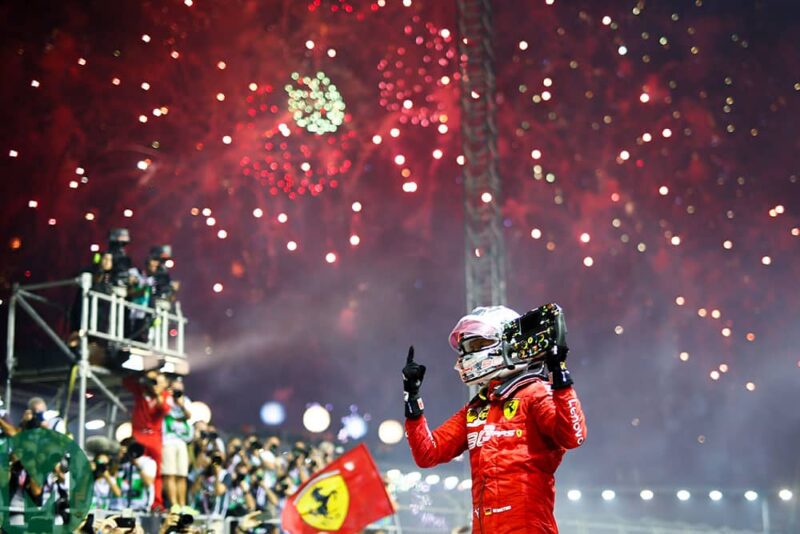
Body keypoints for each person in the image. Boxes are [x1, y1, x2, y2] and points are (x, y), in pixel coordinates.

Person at [403, 305, 587, 533]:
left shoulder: (535, 393)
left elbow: (573, 436)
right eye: (465, 348)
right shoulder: (477, 407)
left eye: (477, 345)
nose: (468, 355)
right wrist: (412, 399)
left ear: (507, 342)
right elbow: (427, 454)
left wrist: (559, 374)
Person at [123, 369, 171, 511]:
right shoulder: (141, 390)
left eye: (158, 382)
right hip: (138, 435)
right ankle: (133, 500)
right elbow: (126, 382)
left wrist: (157, 394)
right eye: (154, 381)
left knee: (157, 472)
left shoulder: (165, 395)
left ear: (165, 385)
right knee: (135, 466)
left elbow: (164, 409)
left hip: (154, 437)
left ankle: (156, 503)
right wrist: (144, 375)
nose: (155, 384)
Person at [162, 377, 193, 508]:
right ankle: (174, 504)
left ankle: (182, 504)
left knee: (182, 474)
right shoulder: (165, 399)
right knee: (170, 473)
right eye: (175, 388)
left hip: (182, 441)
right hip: (168, 439)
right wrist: (168, 397)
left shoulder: (185, 401)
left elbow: (188, 415)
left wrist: (180, 404)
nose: (177, 390)